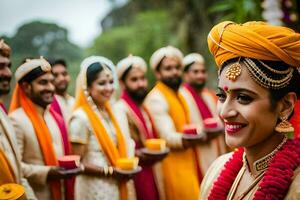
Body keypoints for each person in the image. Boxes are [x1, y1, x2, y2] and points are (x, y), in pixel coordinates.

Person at [200, 21, 300, 199]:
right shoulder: (216, 171)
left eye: (243, 98)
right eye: (222, 96)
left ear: (285, 106)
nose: (225, 112)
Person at [9, 57, 80, 200]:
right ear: (26, 87)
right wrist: (48, 172)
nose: (50, 87)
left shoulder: (54, 118)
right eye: (43, 83)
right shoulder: (16, 120)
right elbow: (13, 167)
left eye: (51, 82)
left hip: (61, 193)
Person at [69, 56, 136, 200]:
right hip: (95, 187)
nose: (109, 88)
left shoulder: (112, 112)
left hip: (119, 183)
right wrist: (110, 172)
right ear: (88, 87)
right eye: (102, 83)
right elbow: (76, 163)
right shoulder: (80, 118)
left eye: (111, 82)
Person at [144, 46, 203, 200]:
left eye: (177, 67)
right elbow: (167, 136)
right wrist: (189, 139)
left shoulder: (181, 94)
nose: (175, 72)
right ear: (158, 73)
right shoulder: (156, 98)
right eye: (168, 68)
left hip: (189, 158)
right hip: (171, 163)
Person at [116, 55, 166, 200]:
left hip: (152, 169)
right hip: (136, 172)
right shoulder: (120, 108)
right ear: (122, 83)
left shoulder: (144, 106)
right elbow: (121, 146)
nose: (141, 84)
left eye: (142, 78)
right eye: (134, 80)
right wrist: (140, 153)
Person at [180, 53, 227, 174]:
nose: (200, 75)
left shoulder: (209, 95)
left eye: (202, 71)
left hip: (217, 147)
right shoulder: (181, 97)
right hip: (194, 153)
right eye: (195, 72)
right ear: (185, 75)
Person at [0, 39, 36, 199]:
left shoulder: (3, 114)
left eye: (8, 66)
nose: (8, 73)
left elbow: (17, 172)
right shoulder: (15, 118)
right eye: (1, 67)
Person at [50, 59, 75, 123]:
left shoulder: (74, 101)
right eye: (55, 75)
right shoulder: (48, 105)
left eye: (64, 74)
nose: (61, 78)